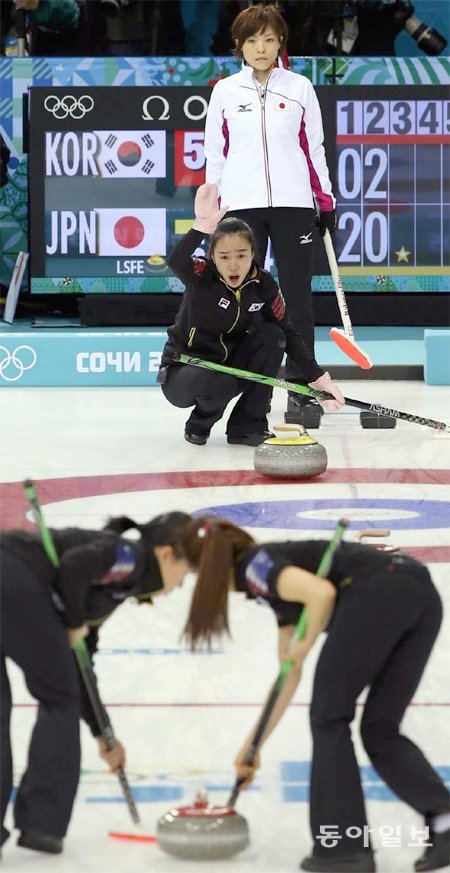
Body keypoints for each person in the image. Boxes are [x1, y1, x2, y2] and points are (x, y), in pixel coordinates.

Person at [180, 514, 450, 873]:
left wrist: (305, 644)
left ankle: (342, 849)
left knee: (328, 717)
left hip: (379, 591)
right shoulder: (268, 579)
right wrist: (252, 746)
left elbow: (321, 593)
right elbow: (286, 676)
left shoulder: (254, 566)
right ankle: (445, 822)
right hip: (417, 592)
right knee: (379, 728)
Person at [0, 510, 191, 855]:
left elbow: (81, 670)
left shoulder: (112, 586)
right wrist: (73, 622)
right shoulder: (129, 558)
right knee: (59, 697)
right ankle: (42, 823)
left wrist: (104, 734)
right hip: (14, 576)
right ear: (164, 554)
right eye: (185, 572)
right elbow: (74, 566)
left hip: (11, 575)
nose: (181, 584)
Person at [203, 2, 336, 426]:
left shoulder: (299, 88)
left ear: (281, 42)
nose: (261, 48)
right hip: (241, 208)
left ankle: (301, 391)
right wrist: (214, 209)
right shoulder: (224, 91)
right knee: (248, 302)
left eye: (269, 39)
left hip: (295, 205)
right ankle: (250, 395)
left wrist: (325, 199)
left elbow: (313, 149)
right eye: (252, 40)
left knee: (296, 300)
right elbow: (215, 157)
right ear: (238, 45)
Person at [159, 183, 343, 447]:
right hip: (185, 370)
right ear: (212, 257)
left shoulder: (264, 285)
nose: (233, 265)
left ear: (254, 254)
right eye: (224, 257)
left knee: (273, 335)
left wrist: (316, 378)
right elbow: (176, 261)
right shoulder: (202, 276)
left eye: (241, 255)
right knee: (218, 381)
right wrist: (200, 228)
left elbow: (288, 333)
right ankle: (200, 423)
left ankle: (247, 427)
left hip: (230, 366)